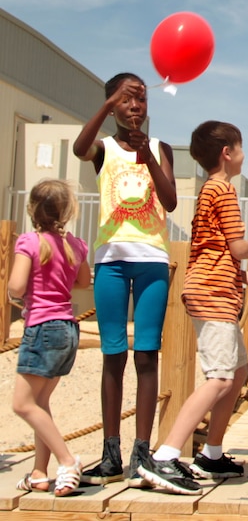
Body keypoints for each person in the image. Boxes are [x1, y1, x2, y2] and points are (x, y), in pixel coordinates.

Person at [136, 121, 248, 495]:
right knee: (220, 377)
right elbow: (237, 247)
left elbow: (213, 251)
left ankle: (211, 453)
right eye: (241, 148)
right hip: (213, 296)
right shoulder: (224, 191)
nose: (244, 154)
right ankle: (166, 455)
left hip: (212, 287)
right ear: (228, 153)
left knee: (238, 370)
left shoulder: (208, 191)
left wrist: (245, 280)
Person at [73, 73, 178, 486]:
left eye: (141, 99)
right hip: (111, 261)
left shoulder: (159, 148)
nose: (135, 106)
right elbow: (81, 148)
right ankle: (110, 451)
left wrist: (147, 156)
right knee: (113, 354)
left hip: (151, 260)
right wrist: (103, 105)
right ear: (113, 105)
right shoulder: (103, 149)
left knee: (147, 353)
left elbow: (169, 201)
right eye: (125, 100)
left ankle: (142, 452)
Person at [9, 179, 91, 496]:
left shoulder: (29, 242)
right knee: (41, 402)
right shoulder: (76, 245)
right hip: (68, 328)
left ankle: (67, 460)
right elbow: (83, 281)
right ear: (68, 211)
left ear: (32, 208)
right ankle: (39, 473)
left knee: (22, 404)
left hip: (42, 327)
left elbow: (16, 287)